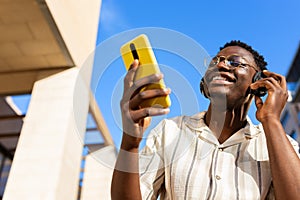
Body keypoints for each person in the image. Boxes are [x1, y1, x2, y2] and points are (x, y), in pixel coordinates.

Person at [111, 40, 300, 199]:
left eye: (235, 62)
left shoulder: (278, 146)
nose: (220, 65)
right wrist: (129, 144)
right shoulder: (170, 131)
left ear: (258, 83)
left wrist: (271, 120)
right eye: (215, 62)